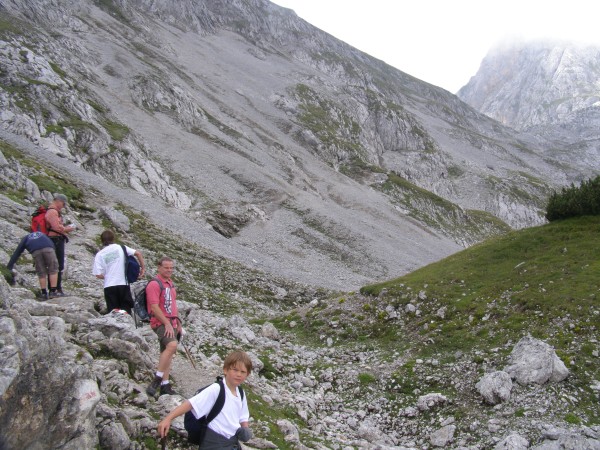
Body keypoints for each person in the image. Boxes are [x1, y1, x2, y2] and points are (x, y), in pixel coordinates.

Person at [157, 351, 253, 449]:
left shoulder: (241, 393)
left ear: (247, 374)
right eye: (235, 370)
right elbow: (191, 404)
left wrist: (245, 429)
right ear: (225, 370)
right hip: (213, 441)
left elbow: (243, 416)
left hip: (232, 442)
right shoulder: (216, 389)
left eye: (243, 372)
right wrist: (168, 419)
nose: (238, 374)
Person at [146, 256, 181, 397]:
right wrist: (166, 323)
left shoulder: (170, 284)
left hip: (171, 322)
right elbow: (154, 307)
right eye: (166, 268)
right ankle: (157, 378)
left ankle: (165, 385)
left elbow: (173, 304)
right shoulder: (154, 284)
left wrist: (178, 323)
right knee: (172, 345)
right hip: (160, 322)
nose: (169, 270)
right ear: (159, 267)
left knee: (166, 353)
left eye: (171, 268)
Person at [92, 229, 146, 314]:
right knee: (125, 309)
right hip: (123, 284)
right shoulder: (121, 247)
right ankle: (127, 324)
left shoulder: (99, 254)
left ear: (102, 240)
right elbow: (138, 253)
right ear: (113, 238)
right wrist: (142, 268)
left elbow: (98, 275)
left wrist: (107, 275)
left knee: (113, 311)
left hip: (109, 286)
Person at [6, 231, 59, 300]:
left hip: (35, 251)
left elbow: (17, 252)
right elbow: (52, 244)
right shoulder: (42, 234)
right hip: (49, 249)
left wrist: (9, 267)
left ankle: (44, 294)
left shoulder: (25, 238)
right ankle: (53, 292)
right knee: (53, 269)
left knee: (41, 272)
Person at [45, 193, 75, 296]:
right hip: (55, 239)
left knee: (57, 264)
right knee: (57, 264)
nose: (63, 206)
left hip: (56, 239)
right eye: (63, 203)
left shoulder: (52, 211)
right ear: (58, 201)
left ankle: (56, 288)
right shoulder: (53, 212)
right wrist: (67, 229)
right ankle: (55, 289)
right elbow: (56, 228)